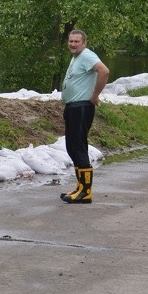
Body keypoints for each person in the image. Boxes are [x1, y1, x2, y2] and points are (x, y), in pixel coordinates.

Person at [59, 30, 110, 204]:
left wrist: (95, 95)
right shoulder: (76, 57)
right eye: (71, 41)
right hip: (73, 106)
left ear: (84, 43)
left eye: (76, 42)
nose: (73, 44)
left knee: (79, 147)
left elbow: (104, 71)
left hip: (81, 107)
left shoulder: (87, 56)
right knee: (72, 147)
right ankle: (80, 187)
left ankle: (86, 192)